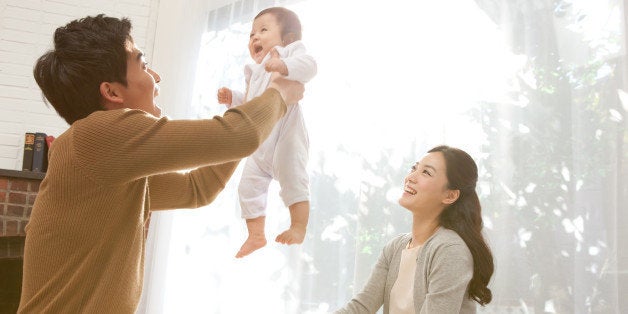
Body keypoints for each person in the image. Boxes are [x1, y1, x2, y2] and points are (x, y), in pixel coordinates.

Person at [18, 14, 304, 313]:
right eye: (142, 64)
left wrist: (246, 106)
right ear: (112, 92)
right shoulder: (96, 136)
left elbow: (198, 188)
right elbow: (240, 136)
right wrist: (279, 93)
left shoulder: (111, 164)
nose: (155, 75)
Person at [335, 145, 494, 314]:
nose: (411, 177)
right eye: (414, 168)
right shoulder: (396, 247)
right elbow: (361, 307)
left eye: (426, 172)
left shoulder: (450, 250)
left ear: (450, 195)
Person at [216, 7, 317, 258]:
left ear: (288, 38)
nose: (254, 38)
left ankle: (298, 226)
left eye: (263, 30)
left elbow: (310, 67)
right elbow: (253, 103)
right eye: (251, 34)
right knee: (247, 187)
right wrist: (234, 98)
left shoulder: (290, 52)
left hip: (286, 138)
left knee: (293, 180)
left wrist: (283, 65)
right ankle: (256, 234)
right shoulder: (255, 70)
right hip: (260, 144)